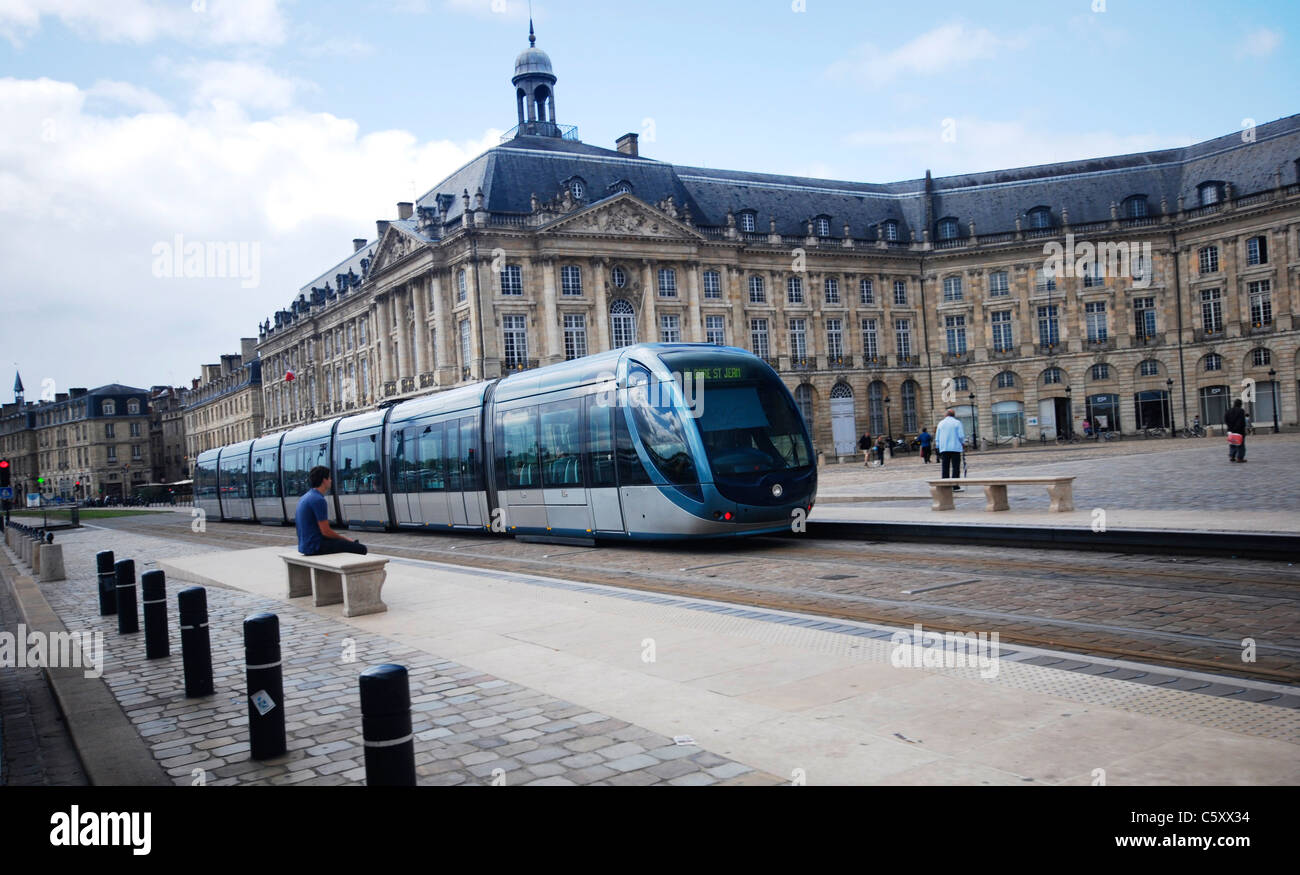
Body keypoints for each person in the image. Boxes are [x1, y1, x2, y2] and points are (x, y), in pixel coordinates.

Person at [296, 466, 368, 555]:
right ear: (324, 480)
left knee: (349, 544)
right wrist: (345, 539)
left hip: (305, 546)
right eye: (329, 478)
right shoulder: (318, 500)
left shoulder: (305, 497)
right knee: (361, 549)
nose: (331, 480)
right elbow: (326, 532)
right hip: (315, 546)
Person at [935, 408, 965, 487]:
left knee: (945, 467)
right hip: (955, 448)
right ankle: (955, 485)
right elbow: (961, 436)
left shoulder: (941, 423)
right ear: (954, 415)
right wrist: (962, 443)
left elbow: (937, 437)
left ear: (946, 415)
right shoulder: (957, 423)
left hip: (944, 448)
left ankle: (945, 485)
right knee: (956, 467)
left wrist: (938, 447)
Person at [1224, 399, 1247, 463]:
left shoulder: (1228, 411)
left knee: (1232, 443)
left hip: (1230, 430)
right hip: (1239, 431)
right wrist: (1239, 428)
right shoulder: (1241, 411)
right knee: (1240, 445)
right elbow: (1241, 421)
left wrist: (1230, 427)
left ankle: (1232, 456)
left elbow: (1225, 420)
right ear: (1240, 404)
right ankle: (1240, 458)